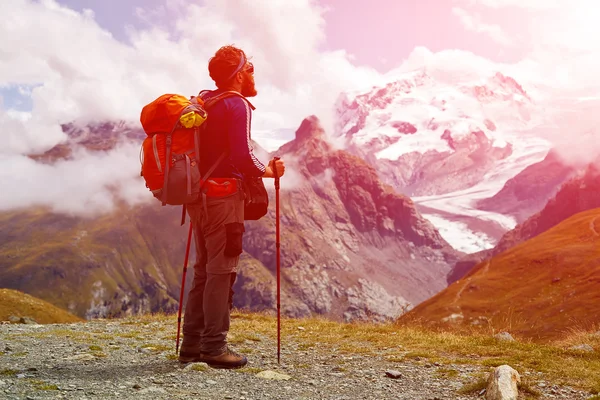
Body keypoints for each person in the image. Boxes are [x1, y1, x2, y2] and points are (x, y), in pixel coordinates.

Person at [178, 45, 285, 369]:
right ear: (238, 74)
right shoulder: (237, 104)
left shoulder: (206, 102)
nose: (253, 73)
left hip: (199, 198)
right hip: (224, 200)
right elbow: (241, 155)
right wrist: (269, 170)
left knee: (204, 273)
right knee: (222, 273)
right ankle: (214, 347)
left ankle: (192, 346)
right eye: (250, 67)